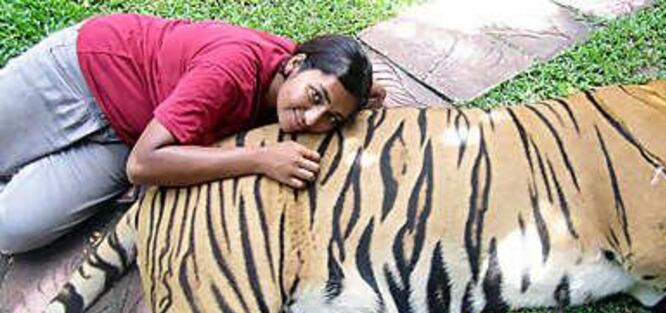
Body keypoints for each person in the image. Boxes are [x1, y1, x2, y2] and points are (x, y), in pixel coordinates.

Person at [0, 13, 386, 254]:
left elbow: (136, 158)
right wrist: (259, 159)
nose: (311, 117)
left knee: (13, 231)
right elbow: (143, 165)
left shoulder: (303, 80)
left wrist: (362, 97)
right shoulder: (232, 69)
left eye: (331, 118)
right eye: (314, 96)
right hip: (80, 73)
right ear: (295, 63)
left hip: (127, 136)